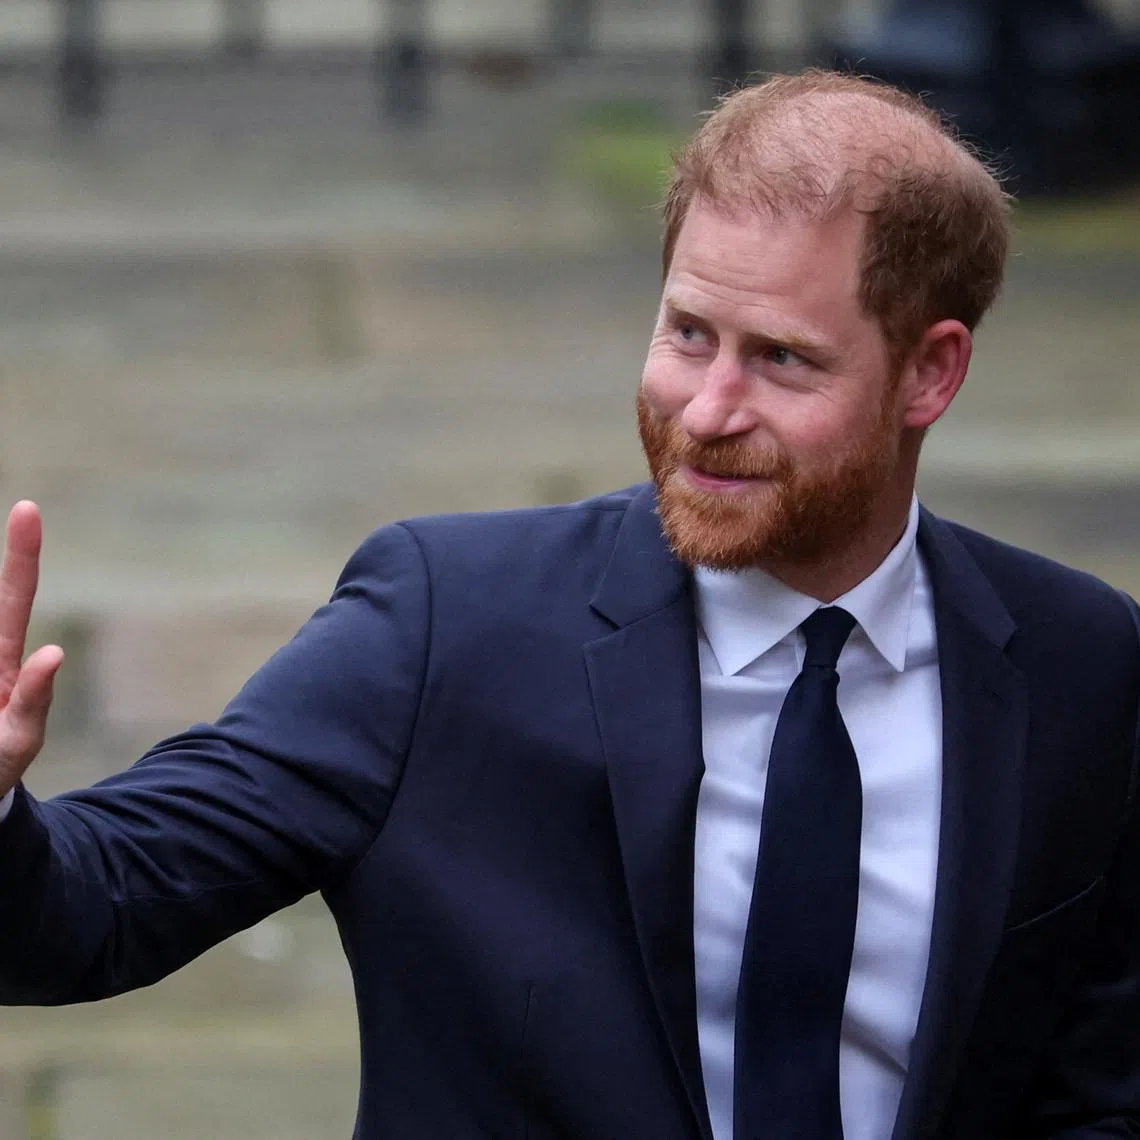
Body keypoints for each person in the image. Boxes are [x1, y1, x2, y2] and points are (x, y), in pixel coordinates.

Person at [1, 69, 1138, 1140]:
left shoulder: (1081, 663)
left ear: (931, 374)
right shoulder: (444, 626)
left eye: (782, 360)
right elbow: (97, 908)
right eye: (688, 334)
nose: (706, 410)